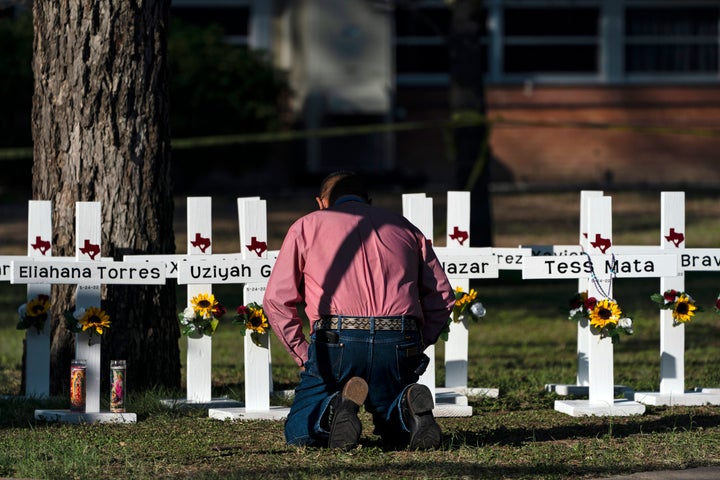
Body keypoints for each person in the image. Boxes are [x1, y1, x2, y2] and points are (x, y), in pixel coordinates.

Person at [263, 171, 455, 450]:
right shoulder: (405, 228)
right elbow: (442, 295)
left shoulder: (307, 226)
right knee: (392, 423)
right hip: (399, 336)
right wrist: (421, 341)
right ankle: (407, 405)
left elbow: (277, 300)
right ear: (368, 200)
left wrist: (303, 353)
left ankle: (333, 409)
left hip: (337, 339)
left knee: (300, 430)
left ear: (321, 202)